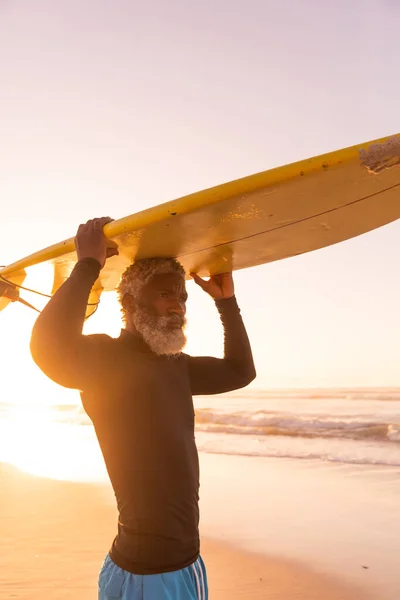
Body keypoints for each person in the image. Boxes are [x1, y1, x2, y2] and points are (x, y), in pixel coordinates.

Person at [30, 217, 256, 600]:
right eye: (167, 294)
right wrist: (88, 265)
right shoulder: (106, 360)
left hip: (167, 564)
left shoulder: (177, 366)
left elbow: (240, 371)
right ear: (131, 303)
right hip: (153, 571)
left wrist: (226, 303)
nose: (179, 306)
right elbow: (48, 348)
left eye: (183, 297)